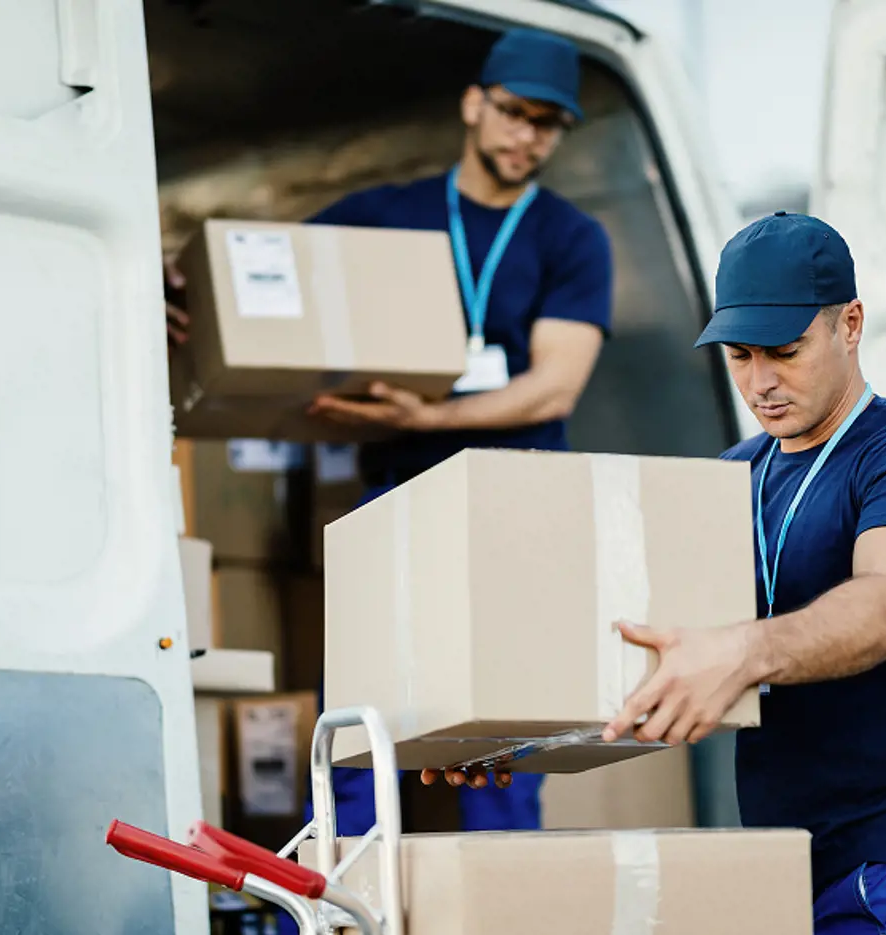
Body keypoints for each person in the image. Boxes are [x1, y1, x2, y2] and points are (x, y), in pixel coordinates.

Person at [167, 26, 612, 848]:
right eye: (515, 112)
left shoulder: (569, 237)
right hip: (397, 506)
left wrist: (427, 417)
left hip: (516, 510)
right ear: (474, 103)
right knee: (364, 730)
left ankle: (499, 900)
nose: (528, 136)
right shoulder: (384, 215)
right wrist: (183, 279)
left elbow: (556, 382)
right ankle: (337, 898)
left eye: (549, 124)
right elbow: (269, 281)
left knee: (504, 737)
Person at [594, 212, 886, 932]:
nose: (761, 382)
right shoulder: (728, 479)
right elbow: (637, 640)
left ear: (850, 323)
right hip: (781, 866)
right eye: (740, 355)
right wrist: (504, 739)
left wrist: (744, 650)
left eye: (784, 350)